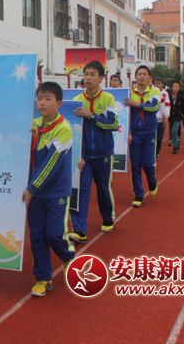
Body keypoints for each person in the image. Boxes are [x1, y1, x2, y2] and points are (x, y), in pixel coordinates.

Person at [22, 82, 75, 297]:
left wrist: (32, 188)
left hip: (56, 192)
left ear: (59, 103)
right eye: (40, 98)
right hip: (35, 192)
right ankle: (43, 278)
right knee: (37, 236)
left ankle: (68, 255)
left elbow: (51, 164)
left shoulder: (63, 130)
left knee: (54, 234)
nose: (42, 103)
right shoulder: (33, 125)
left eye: (48, 99)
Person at [68, 61, 119, 245]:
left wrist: (91, 116)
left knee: (103, 188)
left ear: (101, 78)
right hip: (84, 157)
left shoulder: (108, 99)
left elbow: (113, 124)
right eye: (86, 74)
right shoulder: (75, 101)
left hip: (103, 153)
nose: (88, 78)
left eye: (92, 74)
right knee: (80, 191)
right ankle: (79, 230)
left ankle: (108, 217)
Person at [124, 66, 160, 207]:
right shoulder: (129, 92)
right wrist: (127, 132)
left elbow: (153, 107)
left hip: (149, 131)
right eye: (139, 74)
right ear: (136, 77)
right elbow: (125, 113)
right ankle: (138, 195)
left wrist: (136, 104)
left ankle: (152, 181)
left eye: (144, 74)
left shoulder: (155, 91)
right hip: (134, 133)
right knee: (135, 165)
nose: (142, 76)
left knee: (148, 163)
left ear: (149, 77)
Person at [154, 78, 170, 159]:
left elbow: (167, 105)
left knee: (159, 138)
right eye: (156, 83)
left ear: (162, 84)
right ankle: (151, 153)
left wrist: (166, 116)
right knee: (152, 138)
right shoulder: (151, 92)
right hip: (152, 119)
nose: (157, 85)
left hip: (160, 120)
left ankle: (157, 153)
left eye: (159, 83)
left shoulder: (165, 93)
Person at [168, 81, 184, 154]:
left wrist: (183, 114)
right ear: (171, 87)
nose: (176, 88)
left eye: (177, 86)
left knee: (174, 131)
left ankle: (176, 146)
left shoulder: (181, 97)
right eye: (174, 86)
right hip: (170, 116)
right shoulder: (168, 96)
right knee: (173, 131)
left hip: (178, 116)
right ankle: (175, 142)